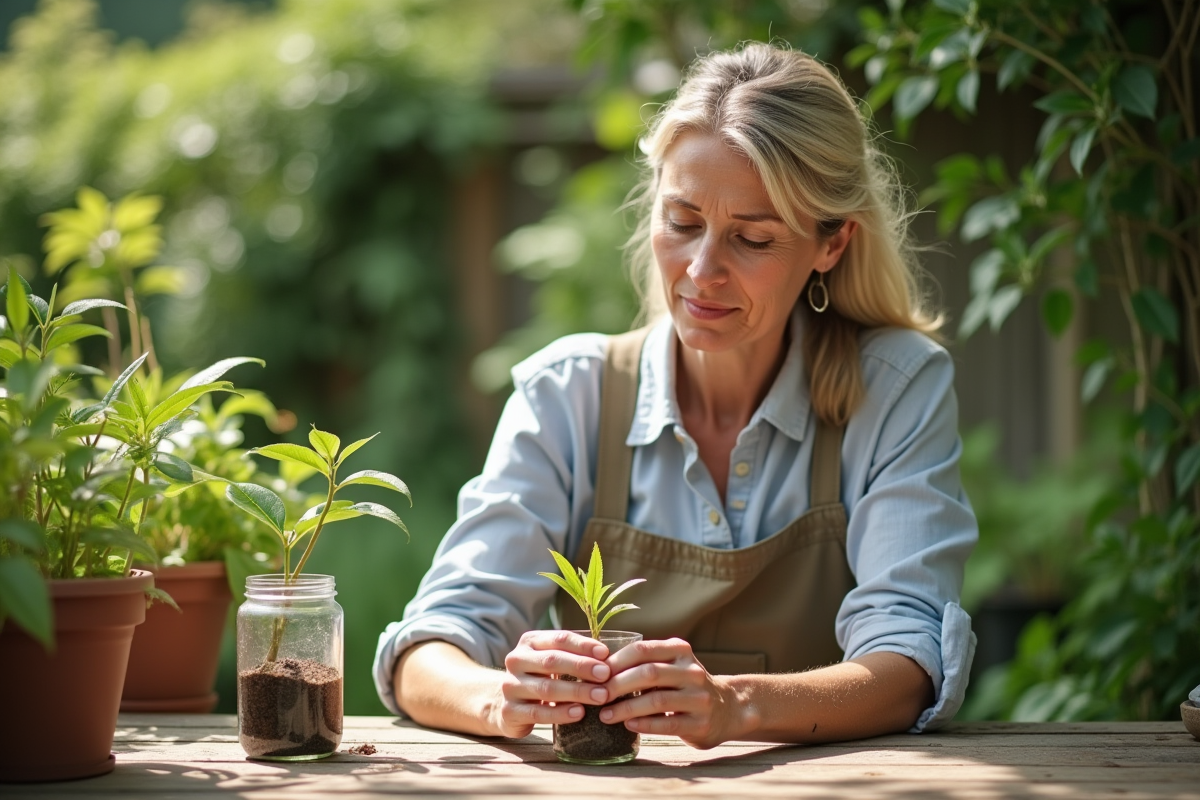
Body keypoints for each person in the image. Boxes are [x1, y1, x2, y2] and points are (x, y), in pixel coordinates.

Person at [373, 42, 977, 748]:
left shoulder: (896, 388)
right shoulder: (570, 396)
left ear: (831, 245)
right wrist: (502, 698)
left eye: (752, 238)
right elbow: (430, 646)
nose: (702, 269)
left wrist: (736, 705)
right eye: (682, 223)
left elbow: (907, 661)